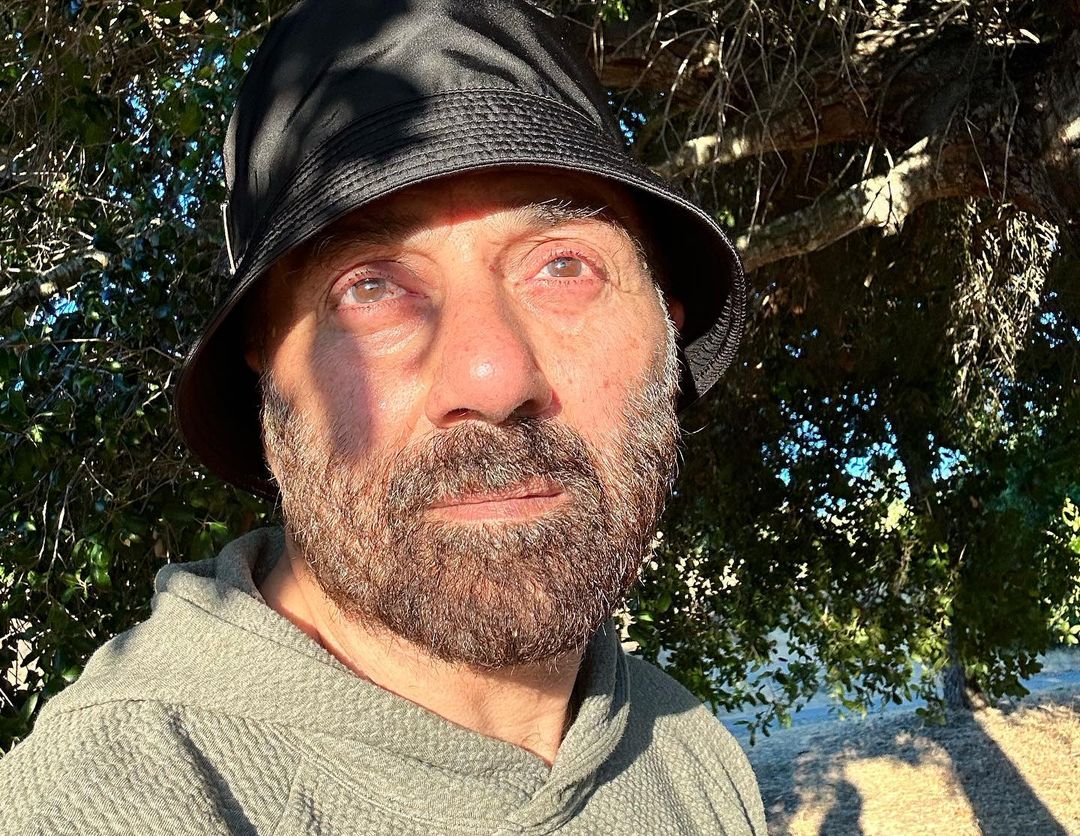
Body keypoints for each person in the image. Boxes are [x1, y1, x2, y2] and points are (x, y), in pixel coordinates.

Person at [0, 0, 766, 832]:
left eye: (563, 266)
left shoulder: (688, 750)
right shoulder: (113, 799)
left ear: (667, 326)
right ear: (267, 360)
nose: (493, 377)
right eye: (370, 287)